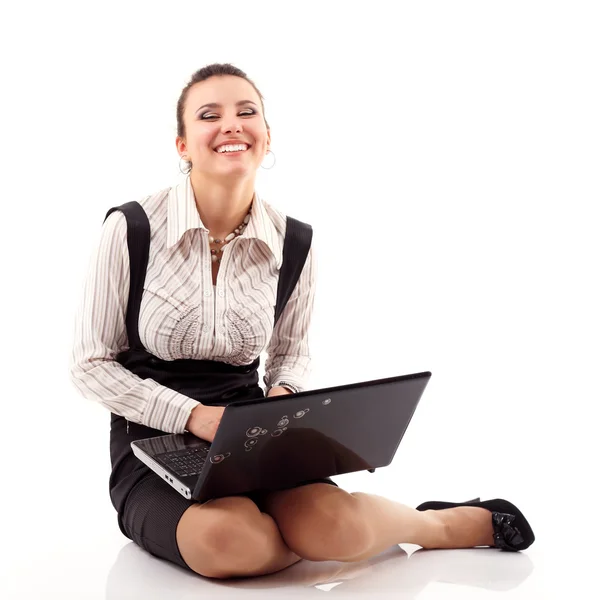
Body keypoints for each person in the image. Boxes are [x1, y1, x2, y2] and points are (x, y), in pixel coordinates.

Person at [70, 63, 535, 581]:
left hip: (253, 436)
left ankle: (440, 524)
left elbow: (291, 351)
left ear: (267, 138)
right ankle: (300, 535)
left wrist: (281, 398)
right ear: (182, 145)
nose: (231, 124)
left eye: (247, 112)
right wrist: (194, 416)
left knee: (340, 526)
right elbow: (89, 365)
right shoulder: (131, 228)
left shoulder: (294, 241)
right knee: (226, 540)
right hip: (152, 441)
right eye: (209, 115)